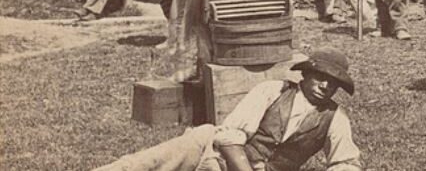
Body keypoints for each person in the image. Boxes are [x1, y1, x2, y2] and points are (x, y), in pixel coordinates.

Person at [94, 47, 363, 171]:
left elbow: (346, 162)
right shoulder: (272, 91)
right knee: (146, 164)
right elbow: (230, 138)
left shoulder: (334, 118)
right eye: (320, 77)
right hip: (209, 147)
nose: (325, 86)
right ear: (305, 75)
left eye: (334, 83)